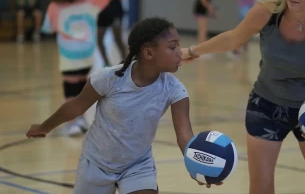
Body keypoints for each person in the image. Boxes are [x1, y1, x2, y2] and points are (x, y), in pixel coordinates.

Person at [26, 17, 221, 193]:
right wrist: (44, 127)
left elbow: (185, 135)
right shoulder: (109, 78)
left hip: (137, 165)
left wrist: (196, 165)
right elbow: (76, 106)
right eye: (172, 47)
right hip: (96, 163)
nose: (180, 52)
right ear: (148, 53)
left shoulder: (175, 90)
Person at [181, 0, 305, 193]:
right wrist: (193, 51)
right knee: (261, 188)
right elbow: (233, 38)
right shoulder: (267, 12)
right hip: (265, 106)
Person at [40, 0, 112, 136]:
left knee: (71, 89)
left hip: (68, 54)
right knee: (80, 86)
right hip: (86, 52)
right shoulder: (91, 1)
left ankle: (75, 122)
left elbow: (48, 27)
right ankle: (80, 120)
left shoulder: (55, 6)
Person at [96, 0, 128, 66]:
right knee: (99, 40)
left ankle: (126, 63)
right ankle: (106, 64)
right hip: (101, 12)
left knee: (118, 39)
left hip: (115, 11)